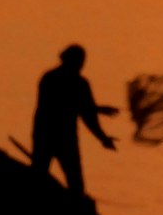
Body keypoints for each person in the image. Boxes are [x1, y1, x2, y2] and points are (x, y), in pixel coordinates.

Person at [31, 45, 117, 195]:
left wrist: (102, 136)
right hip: (57, 137)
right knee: (71, 183)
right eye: (80, 61)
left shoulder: (51, 77)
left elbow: (86, 113)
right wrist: (98, 112)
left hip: (49, 135)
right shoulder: (72, 82)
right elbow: (76, 109)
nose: (81, 64)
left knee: (43, 177)